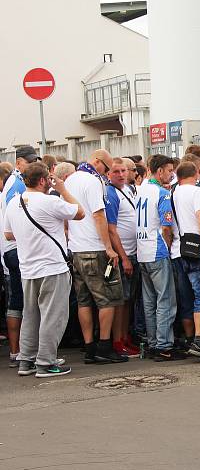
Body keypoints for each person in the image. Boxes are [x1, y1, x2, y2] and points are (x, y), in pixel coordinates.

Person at [4, 163, 84, 377]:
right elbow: (80, 212)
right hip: (52, 267)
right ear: (43, 180)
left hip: (28, 268)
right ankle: (46, 362)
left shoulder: (13, 203)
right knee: (53, 316)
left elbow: (8, 234)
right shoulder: (51, 201)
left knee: (31, 315)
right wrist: (64, 189)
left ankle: (26, 360)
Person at [66, 149, 127, 364]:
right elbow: (99, 215)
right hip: (94, 248)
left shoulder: (71, 179)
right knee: (107, 299)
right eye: (108, 168)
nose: (107, 173)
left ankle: (90, 346)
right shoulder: (93, 182)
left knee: (84, 301)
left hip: (77, 248)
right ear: (99, 163)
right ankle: (104, 346)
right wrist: (108, 247)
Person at [137, 155, 185, 362]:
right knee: (165, 299)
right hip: (157, 250)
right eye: (168, 170)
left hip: (142, 250)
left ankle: (154, 342)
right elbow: (166, 226)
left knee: (149, 301)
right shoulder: (162, 193)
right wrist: (167, 244)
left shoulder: (141, 190)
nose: (171, 174)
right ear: (159, 172)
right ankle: (164, 344)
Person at [171, 161, 200, 361]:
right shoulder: (197, 192)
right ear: (197, 174)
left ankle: (191, 338)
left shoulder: (174, 193)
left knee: (187, 298)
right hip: (196, 250)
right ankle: (199, 341)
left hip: (178, 250)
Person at [2, 145, 39, 368]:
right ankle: (19, 351)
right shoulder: (17, 184)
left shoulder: (14, 182)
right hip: (16, 248)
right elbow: (17, 219)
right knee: (22, 302)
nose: (32, 164)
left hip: (14, 248)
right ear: (18, 163)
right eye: (28, 161)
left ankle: (21, 351)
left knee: (21, 301)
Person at [105, 158, 141, 357]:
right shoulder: (111, 193)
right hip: (123, 255)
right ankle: (117, 341)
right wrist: (124, 257)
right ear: (109, 174)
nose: (121, 174)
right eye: (116, 171)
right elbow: (111, 229)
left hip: (133, 252)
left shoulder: (128, 189)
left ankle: (125, 337)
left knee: (128, 300)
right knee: (120, 301)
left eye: (123, 171)